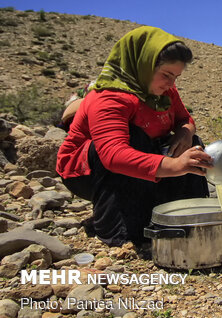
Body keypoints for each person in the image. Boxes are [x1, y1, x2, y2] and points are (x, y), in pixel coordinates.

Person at [56, 26, 213, 247]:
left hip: (143, 155)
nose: (171, 84)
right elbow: (114, 155)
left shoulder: (165, 92)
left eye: (176, 77)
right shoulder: (110, 97)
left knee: (193, 146)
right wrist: (175, 165)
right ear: (143, 64)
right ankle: (119, 228)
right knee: (134, 138)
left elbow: (184, 119)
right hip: (86, 172)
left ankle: (183, 214)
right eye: (166, 75)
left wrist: (185, 133)